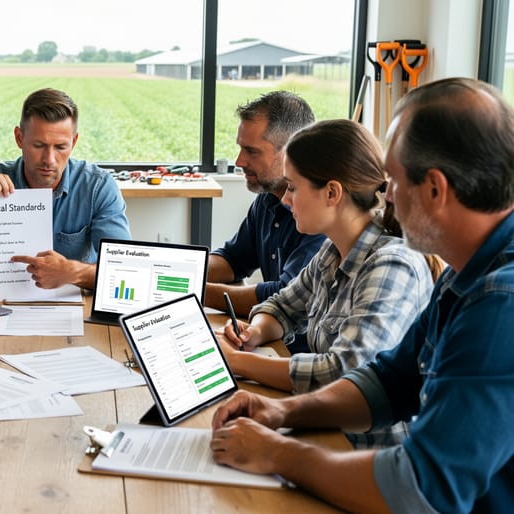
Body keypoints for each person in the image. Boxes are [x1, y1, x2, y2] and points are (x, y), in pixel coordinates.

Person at [210, 77, 514, 513]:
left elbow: (421, 488)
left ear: (435, 189)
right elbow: (388, 383)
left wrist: (278, 453)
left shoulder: (500, 304)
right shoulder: (467, 273)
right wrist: (283, 413)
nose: (384, 194)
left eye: (393, 179)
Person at [216, 119, 433, 448]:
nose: (285, 201)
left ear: (332, 193)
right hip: (323, 430)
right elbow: (282, 306)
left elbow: (345, 372)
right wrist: (255, 332)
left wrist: (237, 361)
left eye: (292, 187)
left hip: (364, 451)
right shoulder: (333, 250)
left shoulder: (392, 266)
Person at [0, 88, 131, 289]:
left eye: (60, 147)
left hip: (75, 304)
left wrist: (71, 272)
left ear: (74, 141)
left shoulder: (98, 187)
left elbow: (123, 270)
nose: (49, 160)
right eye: (38, 145)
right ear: (19, 138)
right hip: (3, 301)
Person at [205, 92, 325, 351]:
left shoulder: (321, 218)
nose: (239, 161)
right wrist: (173, 272)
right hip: (272, 345)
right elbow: (233, 260)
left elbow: (283, 294)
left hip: (299, 358)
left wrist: (191, 290)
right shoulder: (268, 199)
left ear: (293, 150)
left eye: (251, 151)